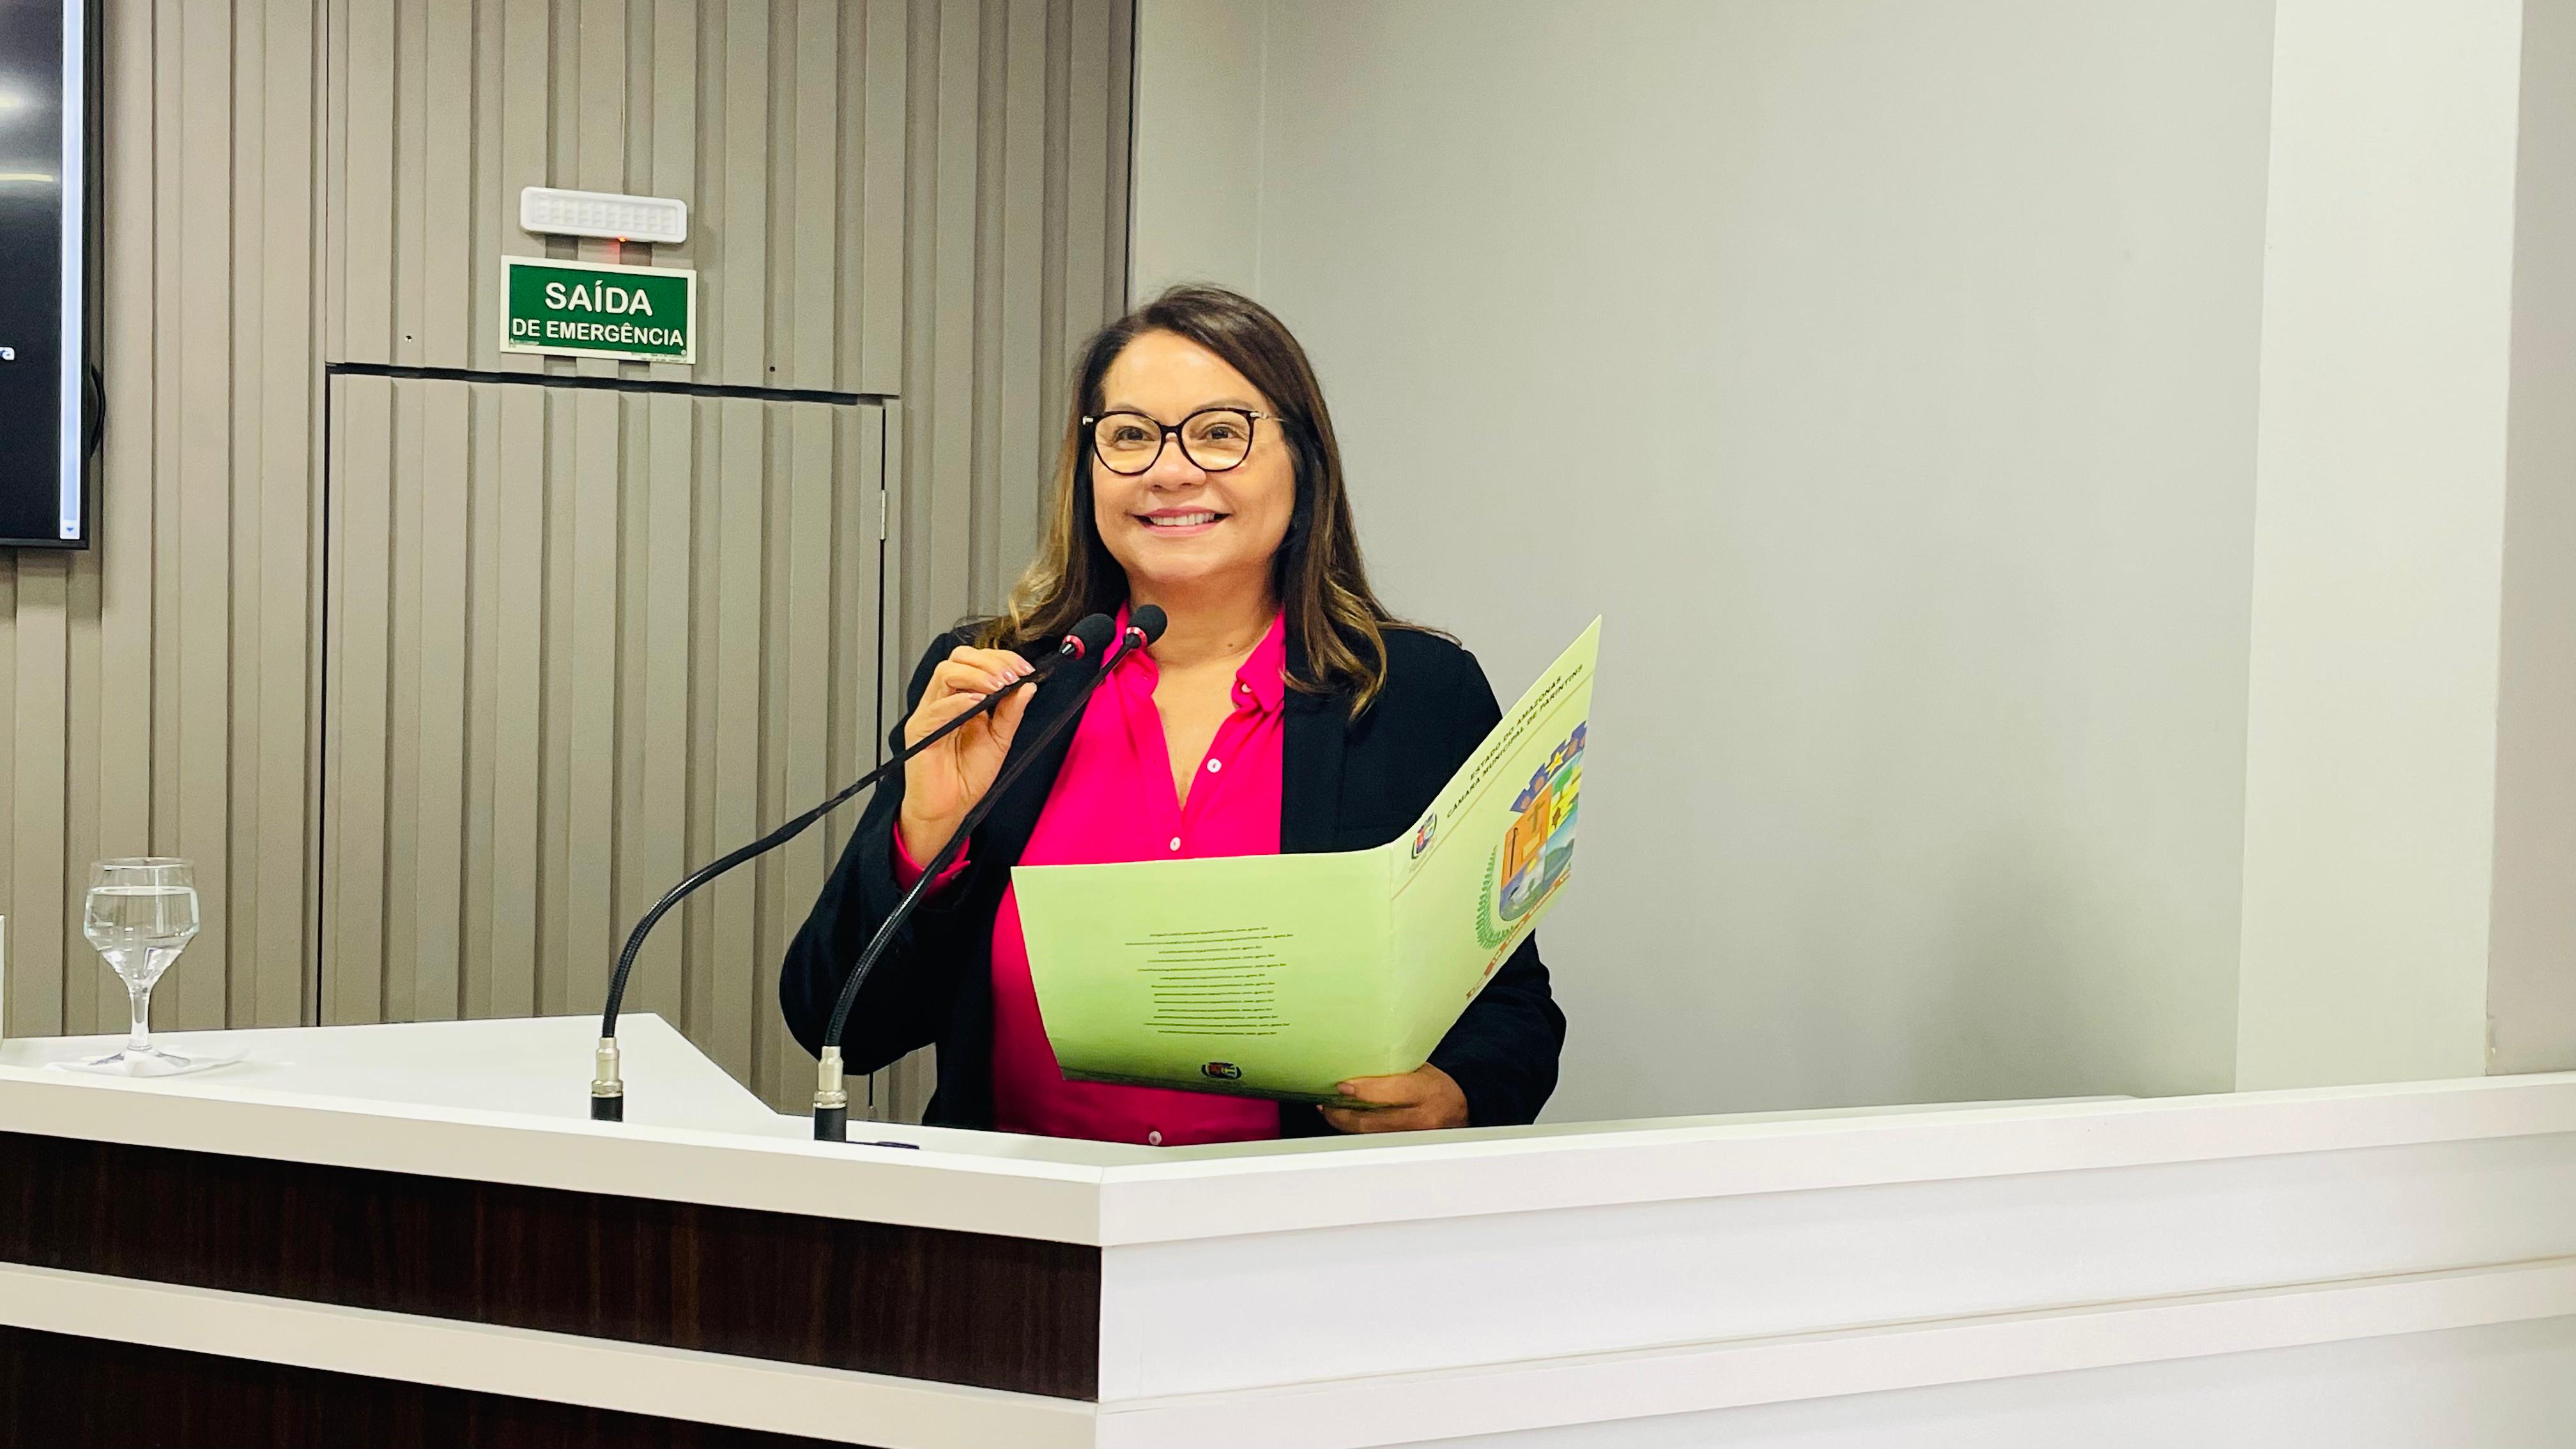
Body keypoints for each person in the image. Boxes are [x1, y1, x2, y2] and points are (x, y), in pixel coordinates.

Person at [779, 285, 1565, 1145]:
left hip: (1293, 1242)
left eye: (1221, 433)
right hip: (1026, 1245)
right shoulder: (1000, 684)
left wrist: (1454, 1093)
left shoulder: (1416, 695)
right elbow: (838, 1028)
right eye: (1129, 436)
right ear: (1088, 474)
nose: (1171, 469)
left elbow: (1512, 1008)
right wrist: (927, 836)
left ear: (1303, 464)